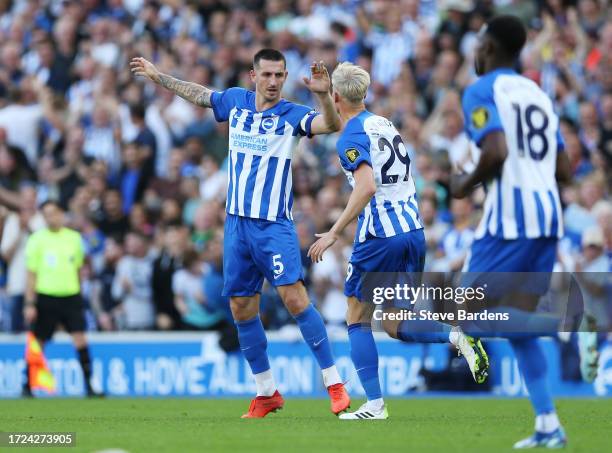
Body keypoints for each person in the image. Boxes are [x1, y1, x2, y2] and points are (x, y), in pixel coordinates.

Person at [131, 48, 350, 417]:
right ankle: (266, 392)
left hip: (273, 225)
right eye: (266, 75)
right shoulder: (236, 102)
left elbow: (331, 125)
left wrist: (323, 94)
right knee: (241, 306)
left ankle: (334, 384)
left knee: (295, 299)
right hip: (236, 225)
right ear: (253, 76)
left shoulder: (292, 114)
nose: (273, 82)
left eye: (279, 75)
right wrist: (159, 77)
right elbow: (200, 94)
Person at [308, 62, 489, 420]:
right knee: (393, 323)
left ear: (337, 96)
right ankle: (456, 337)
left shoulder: (351, 137)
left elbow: (366, 186)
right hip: (412, 233)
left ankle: (374, 404)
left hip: (380, 236)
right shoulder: (385, 124)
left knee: (357, 317)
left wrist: (334, 231)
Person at [450, 15, 573, 448]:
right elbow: (564, 168)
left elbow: (496, 151)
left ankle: (558, 322)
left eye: (479, 45)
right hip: (547, 218)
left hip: (509, 222)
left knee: (463, 316)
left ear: (487, 47)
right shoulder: (537, 93)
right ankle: (548, 425)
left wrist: (463, 184)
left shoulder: (482, 90)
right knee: (516, 330)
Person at [22, 200, 101, 397]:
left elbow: (78, 269)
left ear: (61, 214)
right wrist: (30, 303)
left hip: (71, 296)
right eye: (46, 214)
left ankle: (89, 385)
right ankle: (28, 385)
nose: (51, 217)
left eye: (54, 213)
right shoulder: (37, 239)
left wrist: (80, 295)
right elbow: (31, 275)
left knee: (80, 339)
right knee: (38, 342)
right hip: (46, 296)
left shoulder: (74, 239)